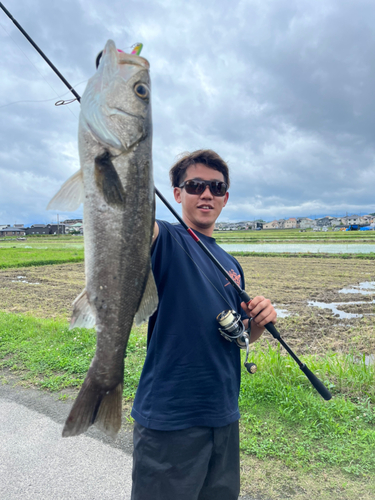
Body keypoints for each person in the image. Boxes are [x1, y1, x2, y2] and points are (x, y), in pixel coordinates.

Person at [131, 150, 277, 500]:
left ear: (226, 197)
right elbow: (135, 225)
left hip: (223, 415)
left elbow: (242, 337)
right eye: (195, 185)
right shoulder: (165, 240)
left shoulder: (231, 264)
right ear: (177, 194)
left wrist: (259, 320)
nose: (206, 194)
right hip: (170, 419)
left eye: (216, 187)